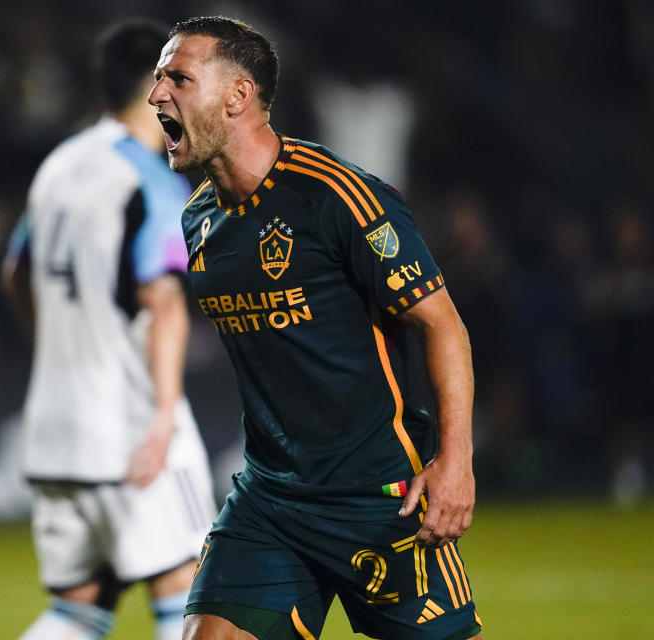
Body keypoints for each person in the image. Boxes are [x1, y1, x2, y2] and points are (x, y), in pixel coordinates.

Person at [148, 16, 483, 640]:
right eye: (157, 78)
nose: (156, 94)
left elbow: (442, 325)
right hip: (270, 501)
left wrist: (455, 460)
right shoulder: (198, 221)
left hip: (380, 499)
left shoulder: (336, 196)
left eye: (179, 78)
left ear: (238, 95)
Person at [1, 19, 216, 640]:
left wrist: (63, 344)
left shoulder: (58, 168)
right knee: (193, 597)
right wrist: (163, 417)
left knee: (78, 611)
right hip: (129, 424)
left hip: (54, 425)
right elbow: (165, 301)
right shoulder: (148, 178)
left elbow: (16, 272)